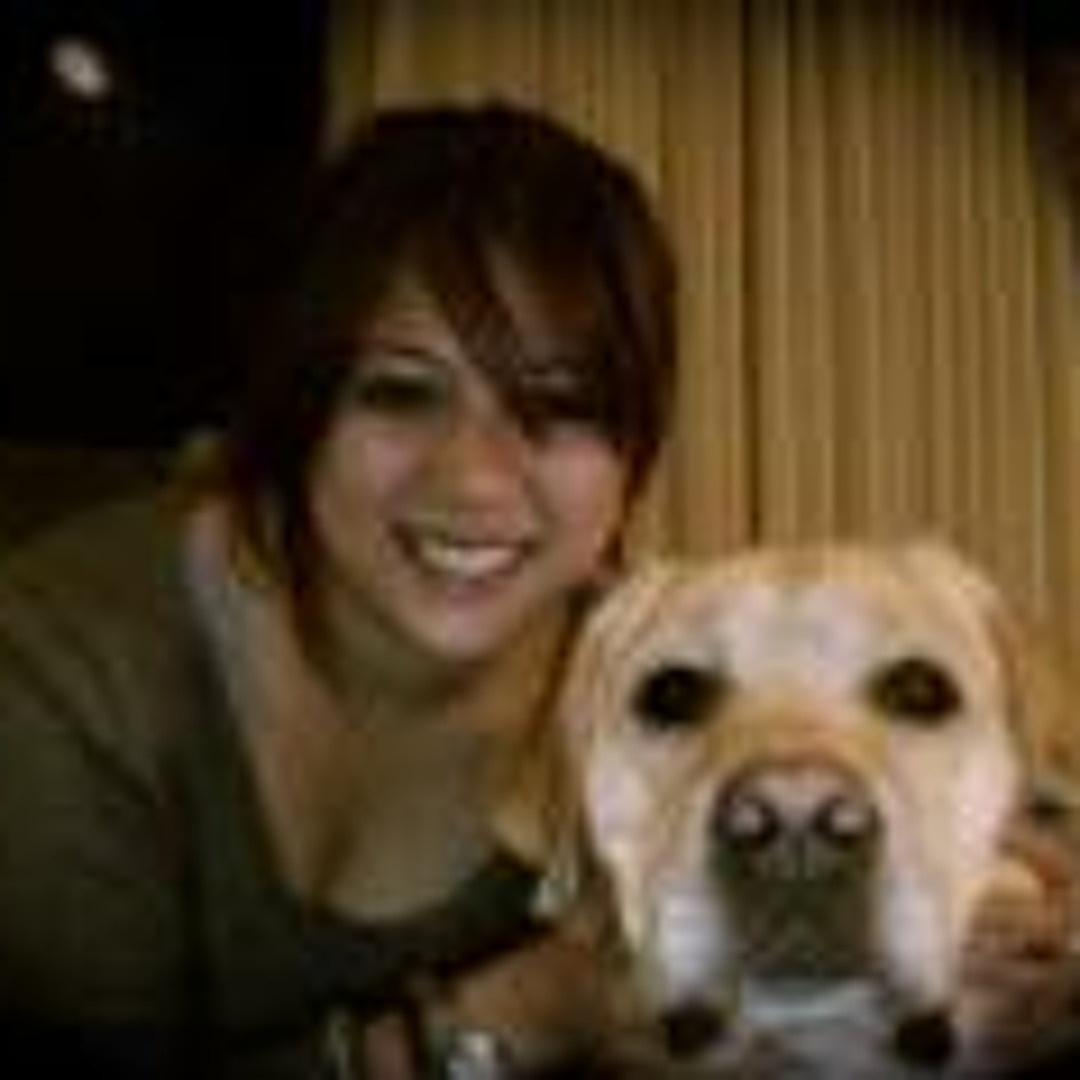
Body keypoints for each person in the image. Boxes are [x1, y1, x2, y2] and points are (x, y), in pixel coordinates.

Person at [0, 100, 678, 1078]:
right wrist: (525, 1013)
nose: (476, 479)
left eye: (560, 404)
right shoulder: (62, 679)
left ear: (631, 456)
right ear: (302, 407)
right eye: (401, 391)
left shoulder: (672, 684)